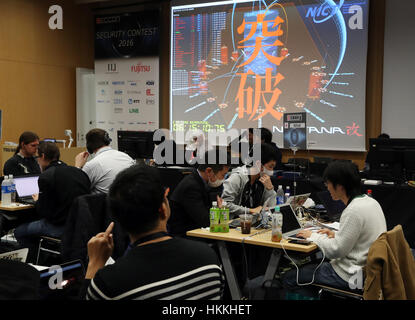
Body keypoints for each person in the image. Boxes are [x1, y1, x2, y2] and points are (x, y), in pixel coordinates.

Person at [83, 165, 225, 300]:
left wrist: (94, 264)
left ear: (118, 219)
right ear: (163, 209)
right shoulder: (209, 259)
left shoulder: (109, 282)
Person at [281, 161, 387, 299]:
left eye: (328, 183)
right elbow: (360, 236)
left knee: (289, 278)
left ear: (340, 187)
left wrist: (313, 236)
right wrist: (337, 234)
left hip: (351, 275)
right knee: (307, 270)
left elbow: (336, 251)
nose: (327, 187)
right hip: (367, 270)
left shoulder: (353, 210)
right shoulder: (370, 202)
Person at [14, 142, 91, 262]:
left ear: (43, 156)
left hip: (60, 227)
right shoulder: (80, 173)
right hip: (81, 225)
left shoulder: (46, 176)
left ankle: (32, 263)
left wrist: (38, 201)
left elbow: (44, 212)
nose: (37, 161)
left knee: (19, 231)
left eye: (37, 157)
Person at [168, 148, 231, 237]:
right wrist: (220, 210)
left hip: (198, 232)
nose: (223, 179)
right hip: (184, 236)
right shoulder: (191, 186)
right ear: (209, 171)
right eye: (223, 175)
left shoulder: (205, 182)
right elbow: (205, 221)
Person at [221, 143, 278, 217]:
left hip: (253, 222)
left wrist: (270, 190)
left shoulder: (262, 180)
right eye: (270, 167)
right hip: (232, 223)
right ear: (258, 164)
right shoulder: (237, 178)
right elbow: (224, 204)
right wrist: (250, 211)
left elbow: (271, 209)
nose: (272, 172)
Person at [75, 128, 135, 194]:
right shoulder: (126, 157)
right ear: (107, 141)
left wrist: (78, 167)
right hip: (129, 201)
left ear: (89, 146)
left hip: (107, 203)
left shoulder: (92, 165)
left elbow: (76, 187)